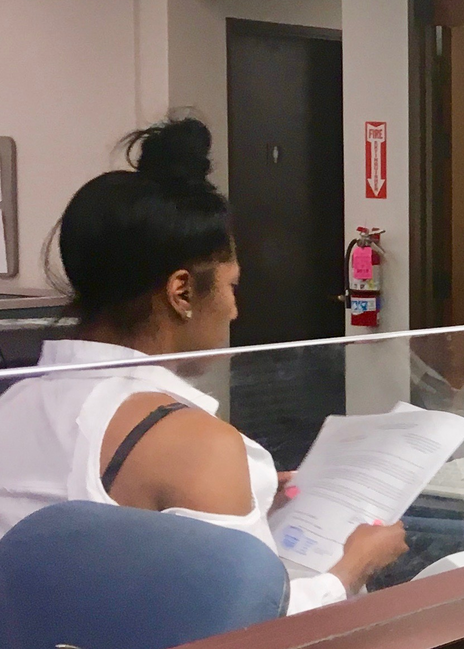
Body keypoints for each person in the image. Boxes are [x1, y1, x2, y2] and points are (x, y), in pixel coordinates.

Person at [0, 118, 406, 612]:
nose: (235, 310)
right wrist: (352, 569)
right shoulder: (193, 443)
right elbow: (245, 627)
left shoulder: (14, 404)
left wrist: (241, 492)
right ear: (182, 292)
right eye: (232, 286)